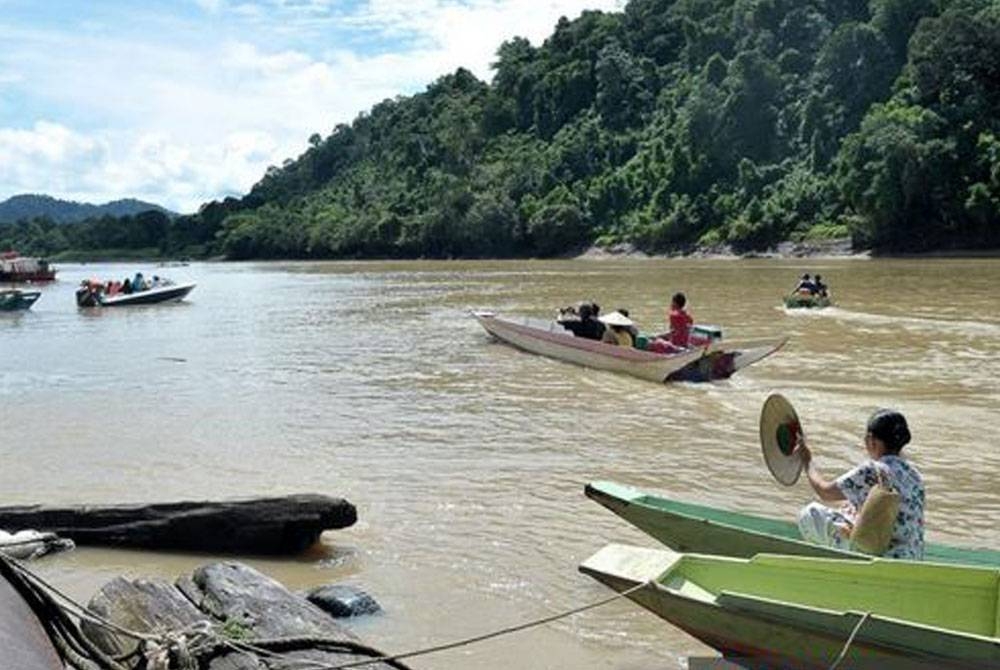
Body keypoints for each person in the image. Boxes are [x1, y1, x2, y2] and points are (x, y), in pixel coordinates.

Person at [795, 409, 924, 559]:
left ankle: (836, 562)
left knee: (809, 514)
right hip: (912, 556)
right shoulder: (915, 476)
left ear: (871, 440)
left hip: (883, 555)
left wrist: (807, 460)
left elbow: (824, 491)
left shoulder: (872, 469)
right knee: (848, 508)